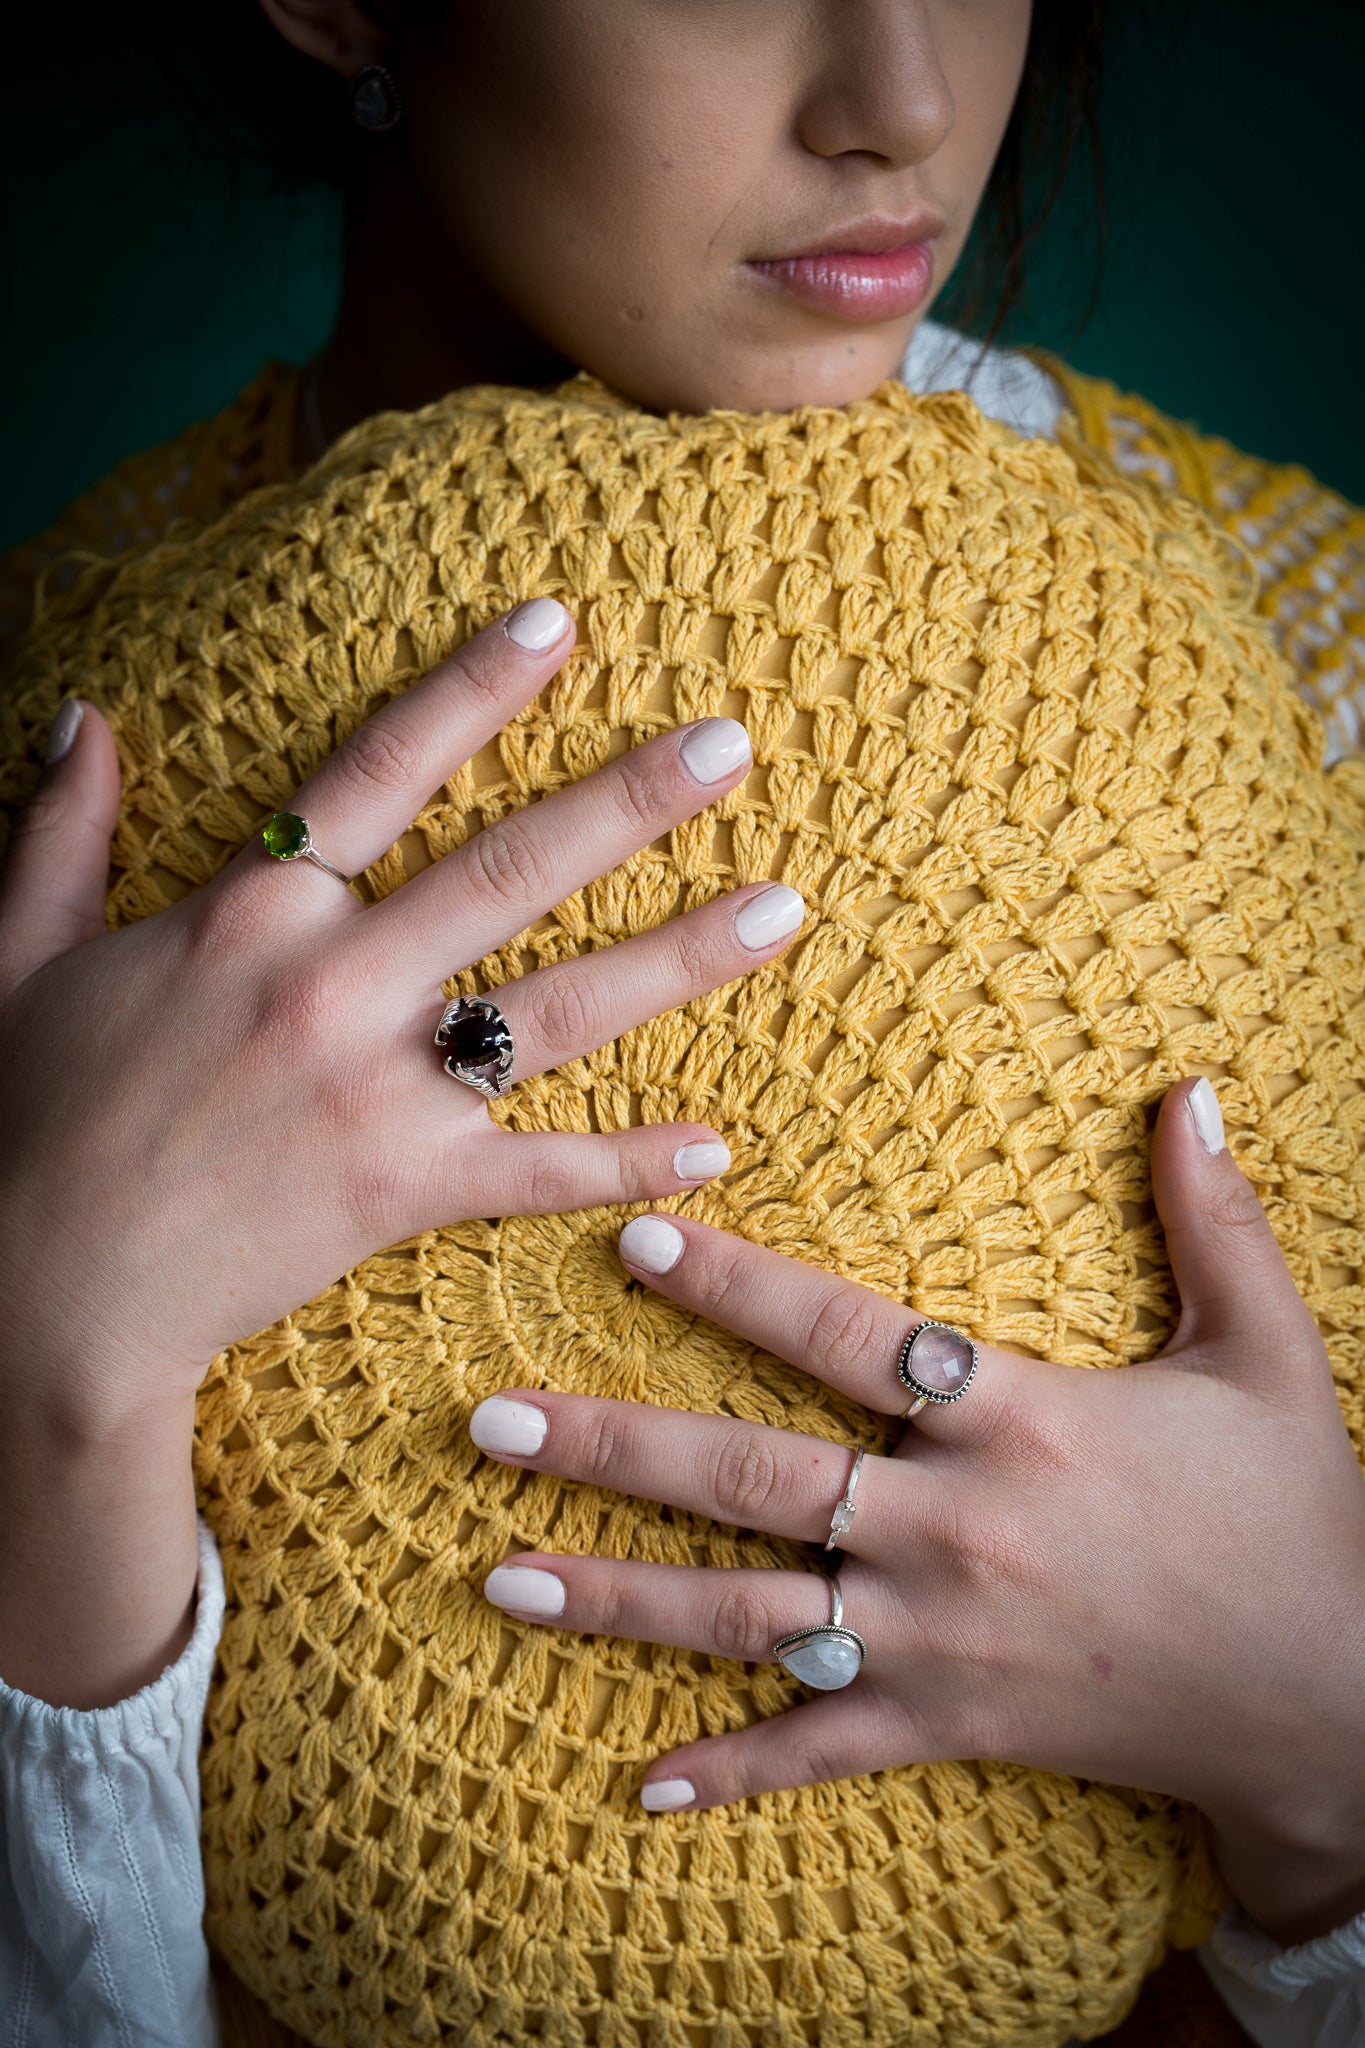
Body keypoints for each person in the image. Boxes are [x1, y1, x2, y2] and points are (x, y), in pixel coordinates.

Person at [1, 5, 1362, 2046]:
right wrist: (51, 1368)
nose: (896, 103)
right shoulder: (37, 792)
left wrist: (1324, 1754)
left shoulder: (1316, 679)